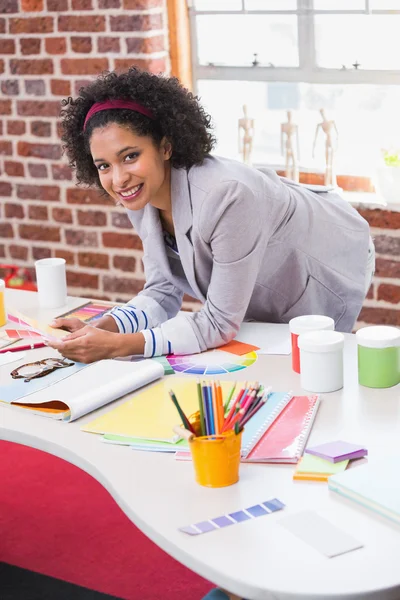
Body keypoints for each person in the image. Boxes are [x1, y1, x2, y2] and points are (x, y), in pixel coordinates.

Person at [48, 68, 373, 364]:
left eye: (130, 156)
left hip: (324, 261)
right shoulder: (141, 194)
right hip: (265, 273)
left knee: (311, 365)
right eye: (104, 165)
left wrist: (118, 346)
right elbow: (162, 291)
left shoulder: (228, 195)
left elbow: (219, 322)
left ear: (165, 147)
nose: (118, 179)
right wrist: (100, 328)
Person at [312, 108, 339, 186]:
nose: (323, 114)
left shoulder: (332, 122)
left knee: (332, 164)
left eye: (323, 112)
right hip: (327, 144)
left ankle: (334, 183)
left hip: (332, 144)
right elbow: (315, 139)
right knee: (328, 165)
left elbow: (338, 135)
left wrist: (337, 144)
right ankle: (327, 183)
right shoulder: (320, 125)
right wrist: (313, 151)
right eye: (321, 113)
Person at [281, 110, 300, 182]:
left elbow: (297, 139)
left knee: (295, 163)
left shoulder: (294, 125)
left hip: (292, 145)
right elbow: (281, 138)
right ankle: (288, 180)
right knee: (287, 164)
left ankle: (295, 180)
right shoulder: (283, 125)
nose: (289, 116)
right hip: (287, 144)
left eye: (290, 114)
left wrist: (298, 154)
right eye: (288, 114)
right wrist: (282, 152)